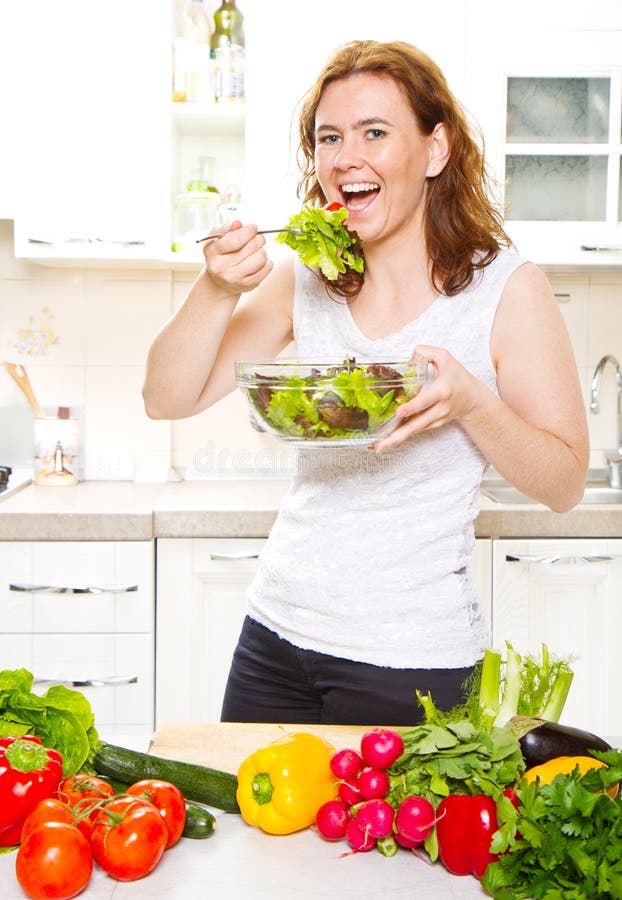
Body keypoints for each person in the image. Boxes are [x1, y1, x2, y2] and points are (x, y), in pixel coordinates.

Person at [143, 40, 588, 726]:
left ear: (435, 150)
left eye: (374, 133)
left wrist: (470, 400)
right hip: (276, 637)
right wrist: (213, 287)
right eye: (329, 137)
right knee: (248, 834)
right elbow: (166, 398)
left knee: (387, 840)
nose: (345, 155)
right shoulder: (307, 277)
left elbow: (562, 484)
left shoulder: (506, 289)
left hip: (414, 661)